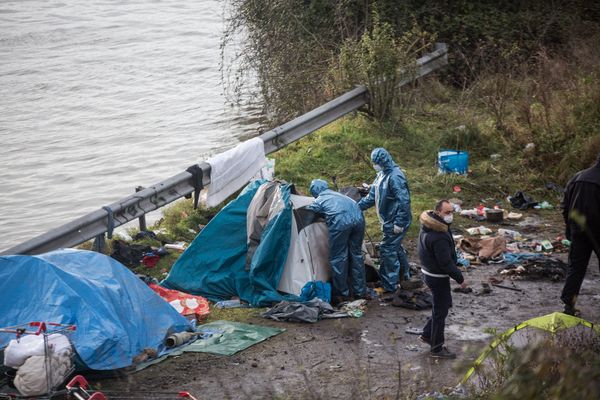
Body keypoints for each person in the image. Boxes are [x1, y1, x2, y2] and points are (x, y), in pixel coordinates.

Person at [418, 200, 467, 359]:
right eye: (447, 212)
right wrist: (460, 278)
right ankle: (436, 348)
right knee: (440, 311)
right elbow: (445, 263)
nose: (450, 215)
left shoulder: (430, 225)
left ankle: (427, 334)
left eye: (451, 211)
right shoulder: (438, 235)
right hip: (437, 276)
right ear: (438, 212)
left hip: (429, 272)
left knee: (443, 306)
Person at [358, 147, 412, 293]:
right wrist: (356, 207)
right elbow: (371, 197)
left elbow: (404, 201)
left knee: (387, 250)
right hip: (388, 219)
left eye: (376, 162)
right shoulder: (381, 174)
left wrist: (399, 223)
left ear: (383, 161)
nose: (375, 165)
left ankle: (390, 285)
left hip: (395, 221)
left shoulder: (395, 176)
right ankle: (405, 276)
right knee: (395, 247)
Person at [306, 179, 367, 304]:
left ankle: (342, 294)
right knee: (356, 255)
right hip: (359, 219)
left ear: (314, 191)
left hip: (340, 222)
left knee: (339, 257)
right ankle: (360, 291)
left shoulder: (320, 199)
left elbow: (310, 210)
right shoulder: (341, 195)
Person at [560, 154, 600, 316]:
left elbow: (564, 206)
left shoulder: (578, 177)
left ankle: (569, 305)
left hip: (578, 231)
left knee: (576, 268)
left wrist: (569, 228)